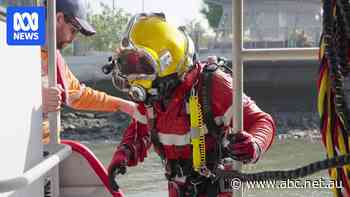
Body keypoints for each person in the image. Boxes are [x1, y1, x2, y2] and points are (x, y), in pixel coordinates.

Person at [107, 13, 276, 197]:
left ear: (167, 62)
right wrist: (123, 154)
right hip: (178, 189)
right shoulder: (150, 98)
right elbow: (140, 131)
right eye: (128, 65)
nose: (133, 76)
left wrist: (254, 145)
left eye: (140, 65)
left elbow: (262, 121)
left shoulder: (214, 85)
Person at [41, 0, 138, 144]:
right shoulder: (12, 40)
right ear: (59, 18)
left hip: (45, 153)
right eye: (73, 31)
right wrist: (35, 98)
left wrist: (124, 105)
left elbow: (77, 94)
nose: (73, 39)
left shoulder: (52, 54)